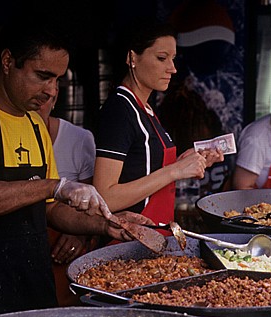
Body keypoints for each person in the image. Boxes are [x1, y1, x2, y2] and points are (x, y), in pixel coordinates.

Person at [0, 13, 151, 317]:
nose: (51, 90)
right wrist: (53, 186)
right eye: (42, 76)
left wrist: (107, 222)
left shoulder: (34, 124)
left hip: (32, 286)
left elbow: (52, 210)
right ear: (7, 61)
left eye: (57, 79)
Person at [93, 18, 223, 226]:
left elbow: (141, 170)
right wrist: (174, 171)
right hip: (127, 241)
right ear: (132, 57)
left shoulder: (145, 108)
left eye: (173, 59)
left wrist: (184, 163)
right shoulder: (119, 110)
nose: (172, 69)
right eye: (162, 58)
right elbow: (105, 196)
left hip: (153, 233)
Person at [37, 89, 97, 306]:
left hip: (63, 248)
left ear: (54, 99)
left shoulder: (79, 139)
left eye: (44, 99)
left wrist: (80, 235)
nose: (36, 106)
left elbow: (93, 203)